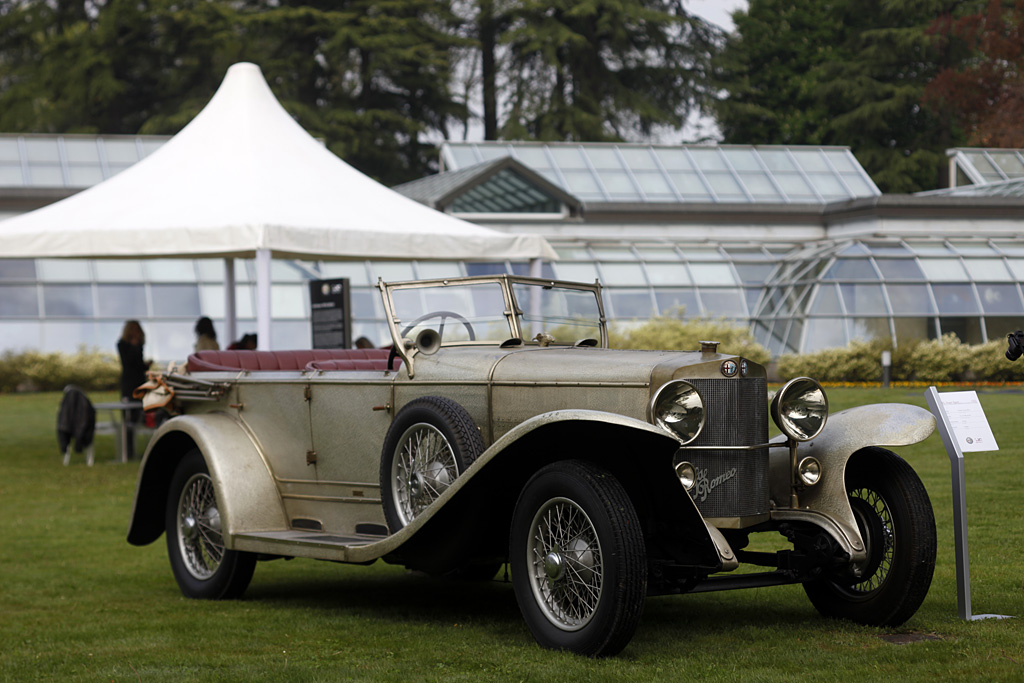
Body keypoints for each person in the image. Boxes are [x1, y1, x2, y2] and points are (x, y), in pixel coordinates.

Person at [117, 320, 151, 460]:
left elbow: (139, 366)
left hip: (140, 384)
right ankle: (128, 450)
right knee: (128, 418)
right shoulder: (123, 345)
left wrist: (146, 365)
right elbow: (127, 363)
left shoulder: (140, 345)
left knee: (140, 416)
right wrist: (134, 346)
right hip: (129, 385)